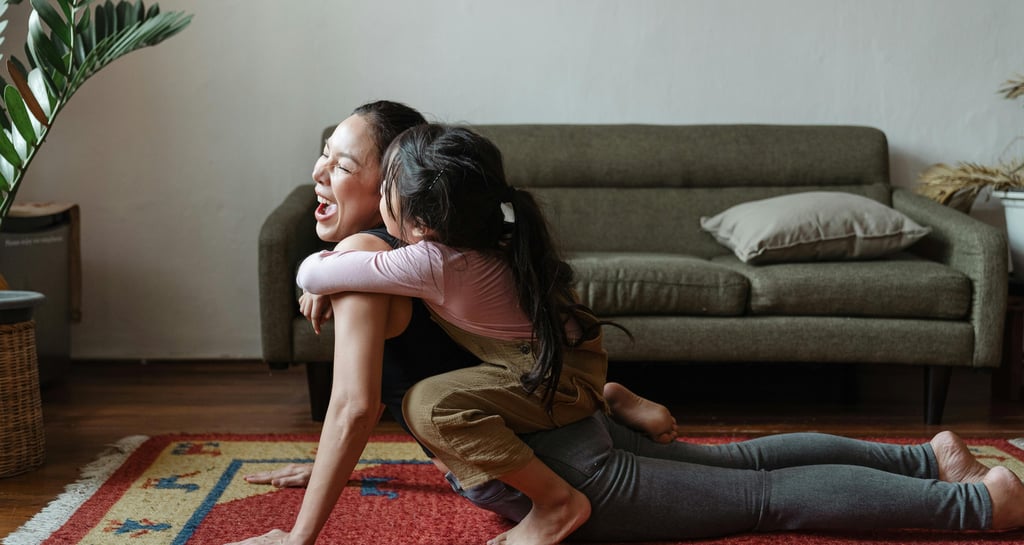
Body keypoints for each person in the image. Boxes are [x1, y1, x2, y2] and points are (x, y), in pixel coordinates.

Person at [233, 107, 1024, 545]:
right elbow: (462, 371)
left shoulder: (391, 259)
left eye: (341, 162)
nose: (319, 174)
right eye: (323, 155)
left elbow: (358, 405)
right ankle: (930, 460)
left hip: (572, 467)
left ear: (400, 196)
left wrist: (296, 540)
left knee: (766, 497)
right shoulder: (455, 240)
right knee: (745, 464)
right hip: (565, 411)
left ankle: (980, 507)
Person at [294, 123, 626, 545]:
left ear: (419, 219)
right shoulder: (483, 236)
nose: (320, 172)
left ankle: (559, 499)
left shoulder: (429, 260)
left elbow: (313, 273)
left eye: (383, 187)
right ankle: (607, 397)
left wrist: (320, 277)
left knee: (429, 406)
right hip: (574, 363)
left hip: (554, 378)